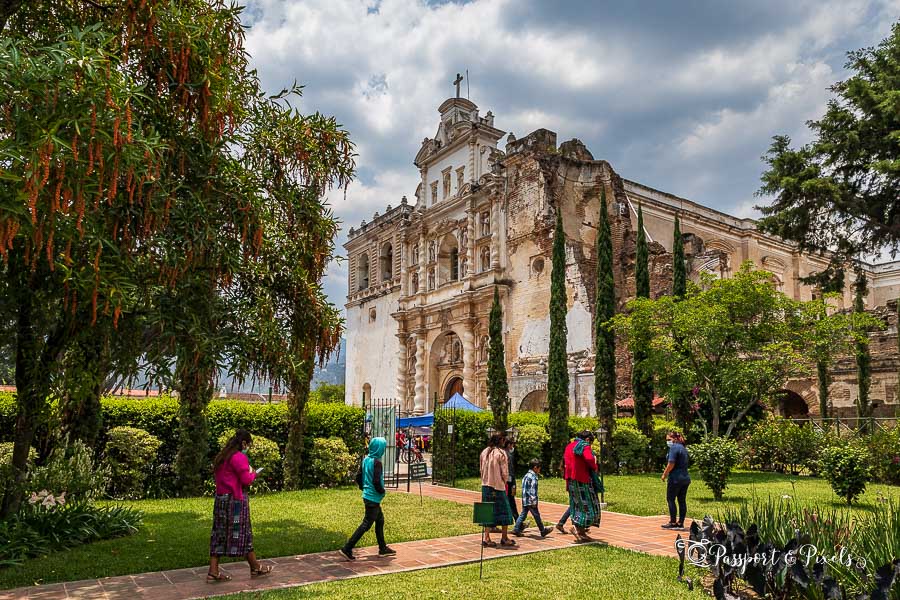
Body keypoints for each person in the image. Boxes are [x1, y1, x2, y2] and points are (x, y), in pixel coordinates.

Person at [207, 429, 272, 583]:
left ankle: (214, 570)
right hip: (235, 502)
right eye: (248, 444)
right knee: (243, 533)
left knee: (219, 534)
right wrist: (254, 473)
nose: (247, 448)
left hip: (221, 500)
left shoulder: (222, 457)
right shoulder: (239, 458)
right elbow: (246, 480)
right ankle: (255, 567)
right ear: (243, 443)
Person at [341, 437, 396, 560]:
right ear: (379, 448)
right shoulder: (377, 462)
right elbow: (377, 481)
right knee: (366, 524)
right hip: (373, 498)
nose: (384, 450)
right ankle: (347, 547)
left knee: (380, 520)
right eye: (383, 447)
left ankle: (382, 548)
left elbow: (358, 477)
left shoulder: (366, 460)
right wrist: (382, 491)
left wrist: (363, 487)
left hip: (368, 496)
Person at [479, 433, 516, 547]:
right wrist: (504, 482)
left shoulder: (484, 452)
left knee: (487, 511)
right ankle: (504, 538)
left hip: (485, 485)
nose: (504, 442)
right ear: (500, 441)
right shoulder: (501, 453)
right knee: (505, 511)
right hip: (498, 486)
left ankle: (486, 537)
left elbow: (480, 468)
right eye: (503, 440)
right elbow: (505, 473)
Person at [564, 430, 600, 543]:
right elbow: (589, 459)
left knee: (576, 505)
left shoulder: (569, 446)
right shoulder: (584, 445)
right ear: (588, 439)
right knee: (589, 506)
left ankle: (581, 532)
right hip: (582, 479)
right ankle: (577, 528)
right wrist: (594, 465)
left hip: (570, 480)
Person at [512, 458, 553, 537]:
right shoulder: (533, 477)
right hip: (531, 501)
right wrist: (534, 501)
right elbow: (532, 491)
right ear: (535, 467)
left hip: (525, 499)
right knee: (536, 515)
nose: (539, 470)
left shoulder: (526, 475)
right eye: (539, 468)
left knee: (523, 515)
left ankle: (516, 529)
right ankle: (542, 530)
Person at [661, 431, 691, 530]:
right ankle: (680, 523)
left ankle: (673, 523)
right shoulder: (683, 448)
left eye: (669, 439)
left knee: (670, 499)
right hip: (685, 478)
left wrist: (664, 474)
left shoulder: (674, 448)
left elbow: (671, 463)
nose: (668, 442)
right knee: (682, 500)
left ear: (675, 439)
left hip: (675, 478)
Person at [503, 437, 520, 522]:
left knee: (510, 501)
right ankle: (517, 521)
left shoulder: (504, 453)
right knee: (511, 501)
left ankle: (517, 520)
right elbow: (510, 470)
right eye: (512, 444)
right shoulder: (507, 454)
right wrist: (513, 484)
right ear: (509, 444)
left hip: (504, 481)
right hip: (508, 482)